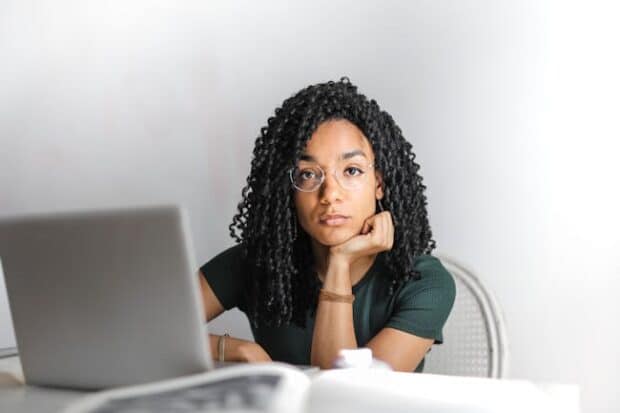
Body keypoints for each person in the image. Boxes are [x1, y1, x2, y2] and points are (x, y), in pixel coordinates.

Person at [199, 77, 456, 372]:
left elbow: (346, 399)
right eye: (308, 174)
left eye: (351, 170)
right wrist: (237, 349)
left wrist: (340, 262)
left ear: (379, 184)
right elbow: (145, 330)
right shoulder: (260, 262)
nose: (330, 194)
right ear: (289, 190)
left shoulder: (424, 282)